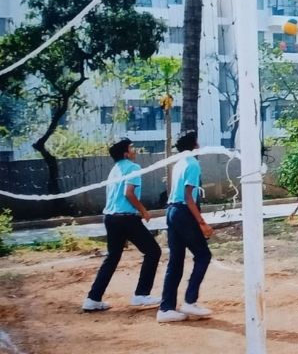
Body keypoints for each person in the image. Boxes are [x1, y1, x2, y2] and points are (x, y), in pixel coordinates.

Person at [83, 138, 162, 311]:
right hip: (126, 218)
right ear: (126, 153)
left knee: (112, 258)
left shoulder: (115, 170)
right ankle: (141, 295)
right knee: (153, 251)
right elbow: (129, 193)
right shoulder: (133, 167)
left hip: (111, 218)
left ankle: (93, 299)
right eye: (132, 148)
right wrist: (143, 210)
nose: (135, 150)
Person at [157, 131, 215, 323]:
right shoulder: (192, 164)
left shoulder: (180, 163)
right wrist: (202, 223)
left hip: (172, 211)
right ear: (194, 145)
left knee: (175, 261)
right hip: (183, 212)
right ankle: (190, 301)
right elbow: (188, 197)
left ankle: (166, 309)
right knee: (203, 255)